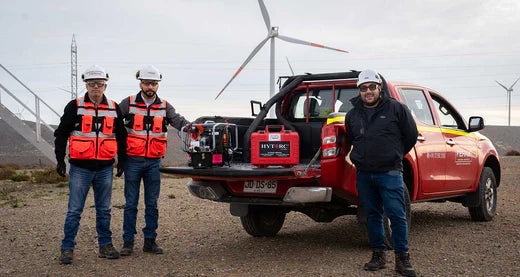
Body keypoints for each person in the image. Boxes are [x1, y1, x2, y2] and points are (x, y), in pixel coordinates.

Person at [345, 69, 418, 276]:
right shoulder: (352, 115)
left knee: (397, 215)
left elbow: (411, 136)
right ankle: (378, 255)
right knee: (372, 215)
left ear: (379, 88)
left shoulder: (397, 109)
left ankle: (402, 259)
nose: (368, 91)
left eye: (371, 87)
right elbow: (352, 139)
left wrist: (394, 154)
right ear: (359, 90)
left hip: (390, 173)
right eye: (363, 88)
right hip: (365, 174)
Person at [54, 65, 127, 265]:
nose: (96, 87)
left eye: (100, 84)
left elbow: (121, 135)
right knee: (74, 210)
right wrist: (60, 159)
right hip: (80, 168)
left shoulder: (113, 107)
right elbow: (61, 133)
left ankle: (105, 246)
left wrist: (123, 160)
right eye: (92, 84)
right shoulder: (75, 106)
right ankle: (67, 248)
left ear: (105, 85)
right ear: (86, 85)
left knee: (104, 209)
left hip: (104, 168)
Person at [118, 65, 190, 256]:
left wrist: (194, 127)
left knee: (152, 204)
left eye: (154, 84)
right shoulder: (128, 103)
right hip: (133, 161)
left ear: (158, 85)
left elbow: (179, 121)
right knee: (131, 203)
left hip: (154, 162)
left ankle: (150, 242)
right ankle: (128, 243)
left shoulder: (165, 106)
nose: (150, 87)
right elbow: (113, 123)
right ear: (140, 83)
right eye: (147, 83)